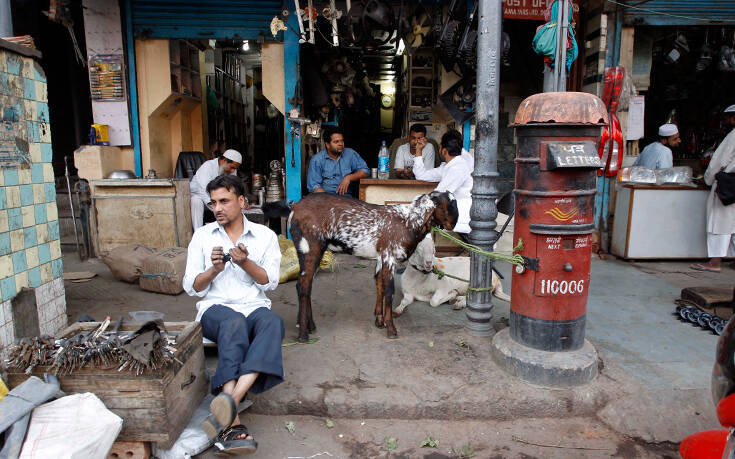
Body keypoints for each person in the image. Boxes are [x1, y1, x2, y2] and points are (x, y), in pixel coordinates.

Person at [183, 174, 284, 455]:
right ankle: (233, 420)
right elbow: (192, 287)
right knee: (233, 323)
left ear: (242, 202)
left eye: (224, 201)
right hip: (215, 310)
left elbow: (268, 282)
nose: (217, 208)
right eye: (213, 202)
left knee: (273, 323)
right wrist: (214, 270)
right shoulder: (202, 236)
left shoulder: (264, 236)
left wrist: (245, 263)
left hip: (253, 306)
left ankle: (230, 402)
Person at [691, 105, 735, 273]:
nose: (724, 122)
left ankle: (715, 262)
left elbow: (718, 160)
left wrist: (708, 180)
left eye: (726, 118)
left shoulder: (733, 136)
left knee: (720, 222)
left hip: (727, 182)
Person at [413, 129, 473, 234]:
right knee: (419, 203)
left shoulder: (459, 167)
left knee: (421, 213)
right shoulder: (449, 165)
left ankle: (425, 249)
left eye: (440, 147)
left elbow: (440, 195)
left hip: (463, 215)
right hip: (454, 210)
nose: (439, 149)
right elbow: (421, 175)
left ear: (444, 151)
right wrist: (418, 151)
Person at [306, 126, 369, 196]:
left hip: (347, 199)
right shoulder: (317, 160)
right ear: (327, 145)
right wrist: (332, 200)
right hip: (325, 199)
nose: (341, 144)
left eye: (342, 141)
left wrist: (349, 177)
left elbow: (365, 171)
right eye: (336, 142)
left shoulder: (350, 154)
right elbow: (314, 186)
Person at [190, 149, 241, 230]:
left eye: (234, 168)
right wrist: (215, 205)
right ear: (224, 160)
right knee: (196, 201)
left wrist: (242, 200)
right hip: (202, 198)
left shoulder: (231, 171)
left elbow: (234, 188)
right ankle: (198, 232)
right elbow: (203, 191)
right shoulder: (208, 166)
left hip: (218, 199)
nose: (233, 171)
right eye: (232, 167)